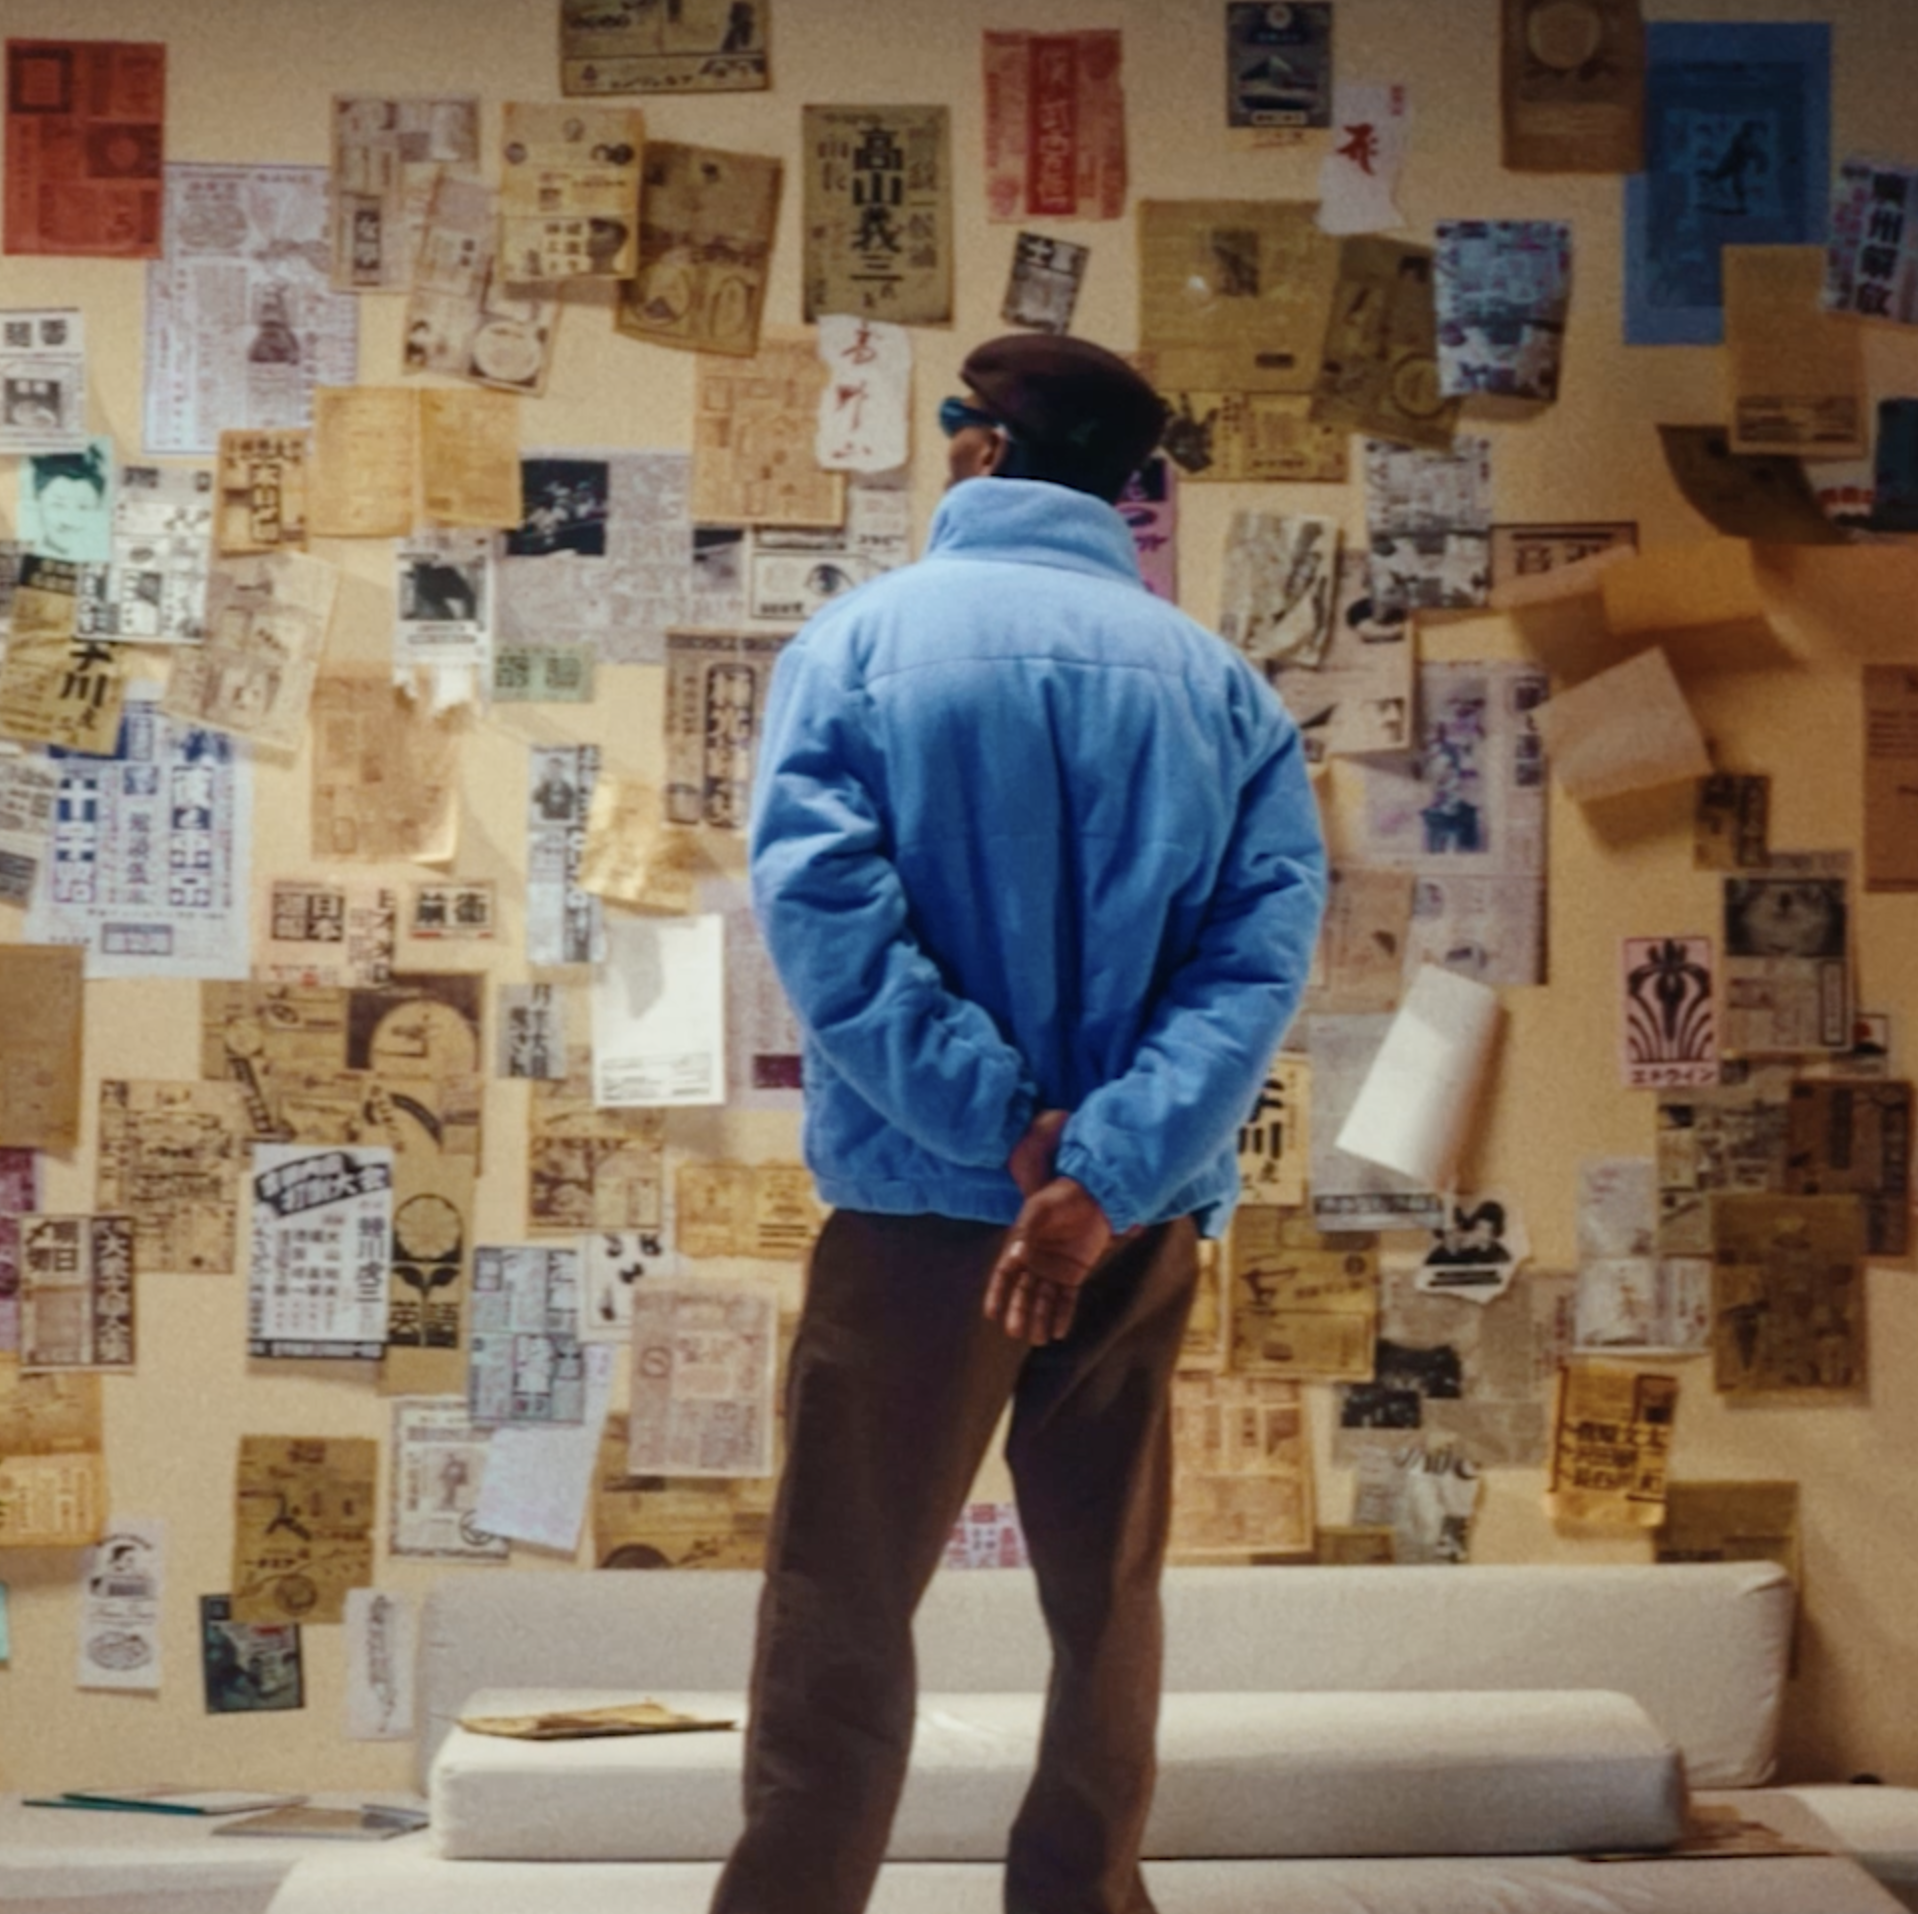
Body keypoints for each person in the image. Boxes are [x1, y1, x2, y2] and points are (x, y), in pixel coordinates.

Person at [717, 335, 1327, 1914]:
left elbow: (830, 928)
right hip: (1129, 1224)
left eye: (953, 425)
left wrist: (1000, 1128)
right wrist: (1098, 1173)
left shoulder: (854, 650)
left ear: (983, 449)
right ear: (1124, 486)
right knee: (1105, 1594)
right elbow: (1254, 970)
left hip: (921, 1214)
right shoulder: (1226, 692)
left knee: (844, 1597)